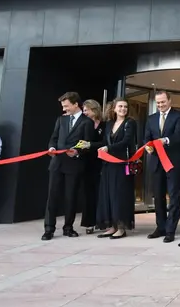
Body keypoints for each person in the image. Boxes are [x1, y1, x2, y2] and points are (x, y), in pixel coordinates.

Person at [42, 92, 94, 241]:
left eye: (66, 106)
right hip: (57, 163)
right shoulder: (61, 120)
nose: (64, 109)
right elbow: (54, 138)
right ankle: (49, 229)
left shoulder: (87, 122)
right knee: (52, 197)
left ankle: (68, 228)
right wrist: (51, 148)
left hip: (74, 164)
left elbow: (87, 144)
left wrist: (77, 152)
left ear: (76, 104)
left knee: (70, 197)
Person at [144, 90, 180, 243]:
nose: (160, 105)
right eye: (158, 103)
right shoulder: (151, 119)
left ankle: (170, 230)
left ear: (169, 101)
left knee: (174, 197)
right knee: (158, 197)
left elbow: (178, 136)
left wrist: (165, 140)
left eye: (163, 102)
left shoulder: (179, 116)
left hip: (173, 162)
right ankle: (160, 227)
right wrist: (148, 147)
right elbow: (147, 138)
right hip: (156, 162)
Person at [92, 98, 137, 239]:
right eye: (120, 106)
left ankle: (121, 227)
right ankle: (112, 226)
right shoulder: (110, 123)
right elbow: (105, 141)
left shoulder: (130, 123)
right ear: (114, 108)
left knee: (120, 195)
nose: (123, 109)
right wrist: (92, 146)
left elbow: (127, 141)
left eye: (125, 107)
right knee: (108, 195)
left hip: (122, 164)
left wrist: (108, 148)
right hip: (108, 164)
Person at [80, 99, 105, 235]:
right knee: (87, 193)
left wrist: (91, 145)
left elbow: (105, 142)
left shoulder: (104, 125)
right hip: (87, 162)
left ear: (94, 110)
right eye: (83, 110)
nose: (84, 113)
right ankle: (88, 223)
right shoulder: (84, 124)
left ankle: (101, 221)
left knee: (100, 193)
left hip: (101, 162)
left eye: (86, 110)